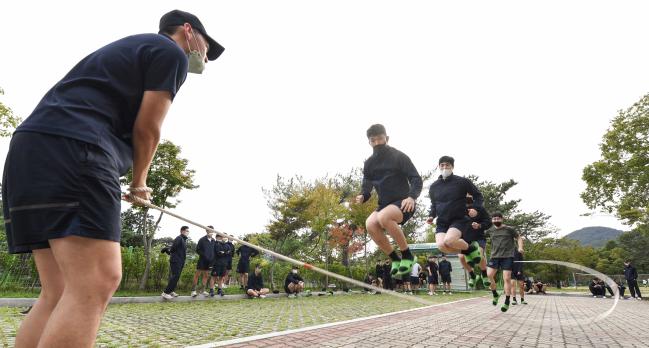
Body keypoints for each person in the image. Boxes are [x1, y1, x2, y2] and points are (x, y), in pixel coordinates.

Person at [1, 9, 223, 347]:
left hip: (30, 153)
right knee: (97, 280)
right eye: (208, 46)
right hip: (75, 149)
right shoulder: (169, 52)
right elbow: (148, 129)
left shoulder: (130, 50)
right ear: (188, 31)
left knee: (59, 290)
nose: (206, 56)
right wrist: (139, 183)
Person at [355, 124, 423, 278]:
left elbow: (415, 178)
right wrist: (363, 195)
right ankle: (395, 258)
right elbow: (367, 183)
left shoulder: (399, 156)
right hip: (384, 204)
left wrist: (412, 196)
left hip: (404, 202)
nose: (377, 143)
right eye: (373, 140)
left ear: (387, 138)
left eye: (380, 138)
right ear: (369, 142)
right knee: (370, 224)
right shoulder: (369, 163)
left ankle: (408, 255)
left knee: (383, 217)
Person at [426, 156, 482, 269]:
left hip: (458, 219)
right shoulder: (434, 186)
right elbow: (434, 204)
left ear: (452, 167)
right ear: (439, 167)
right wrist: (431, 215)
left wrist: (475, 209)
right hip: (442, 221)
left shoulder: (462, 182)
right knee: (442, 246)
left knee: (449, 240)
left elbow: (478, 196)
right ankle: (470, 250)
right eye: (442, 165)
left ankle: (468, 249)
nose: (445, 167)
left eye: (447, 165)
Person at [485, 212, 523, 312]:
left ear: (502, 219)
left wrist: (520, 247)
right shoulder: (490, 230)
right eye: (494, 219)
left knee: (506, 278)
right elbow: (480, 234)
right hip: (494, 256)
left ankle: (507, 301)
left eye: (498, 219)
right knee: (489, 275)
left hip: (507, 257)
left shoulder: (509, 229)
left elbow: (519, 237)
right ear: (492, 220)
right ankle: (495, 294)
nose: (496, 220)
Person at [459, 195, 492, 289]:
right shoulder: (458, 208)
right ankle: (472, 275)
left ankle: (484, 275)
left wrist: (479, 225)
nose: (466, 195)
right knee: (461, 257)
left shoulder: (480, 208)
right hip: (465, 238)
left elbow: (488, 222)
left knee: (479, 255)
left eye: (468, 193)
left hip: (478, 237)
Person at [162, 226, 190, 299]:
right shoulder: (179, 238)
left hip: (180, 261)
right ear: (182, 231)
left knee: (176, 277)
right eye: (187, 231)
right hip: (176, 261)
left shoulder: (183, 240)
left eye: (188, 231)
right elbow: (173, 248)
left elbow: (175, 251)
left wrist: (167, 250)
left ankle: (171, 291)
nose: (188, 232)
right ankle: (166, 292)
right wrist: (167, 249)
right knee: (175, 276)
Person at [191, 226, 215, 297]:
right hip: (202, 260)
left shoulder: (213, 240)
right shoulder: (202, 239)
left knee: (206, 276)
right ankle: (193, 291)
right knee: (197, 275)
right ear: (206, 231)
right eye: (209, 230)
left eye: (212, 231)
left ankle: (202, 290)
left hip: (210, 262)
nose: (210, 232)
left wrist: (212, 259)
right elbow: (197, 250)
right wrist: (204, 255)